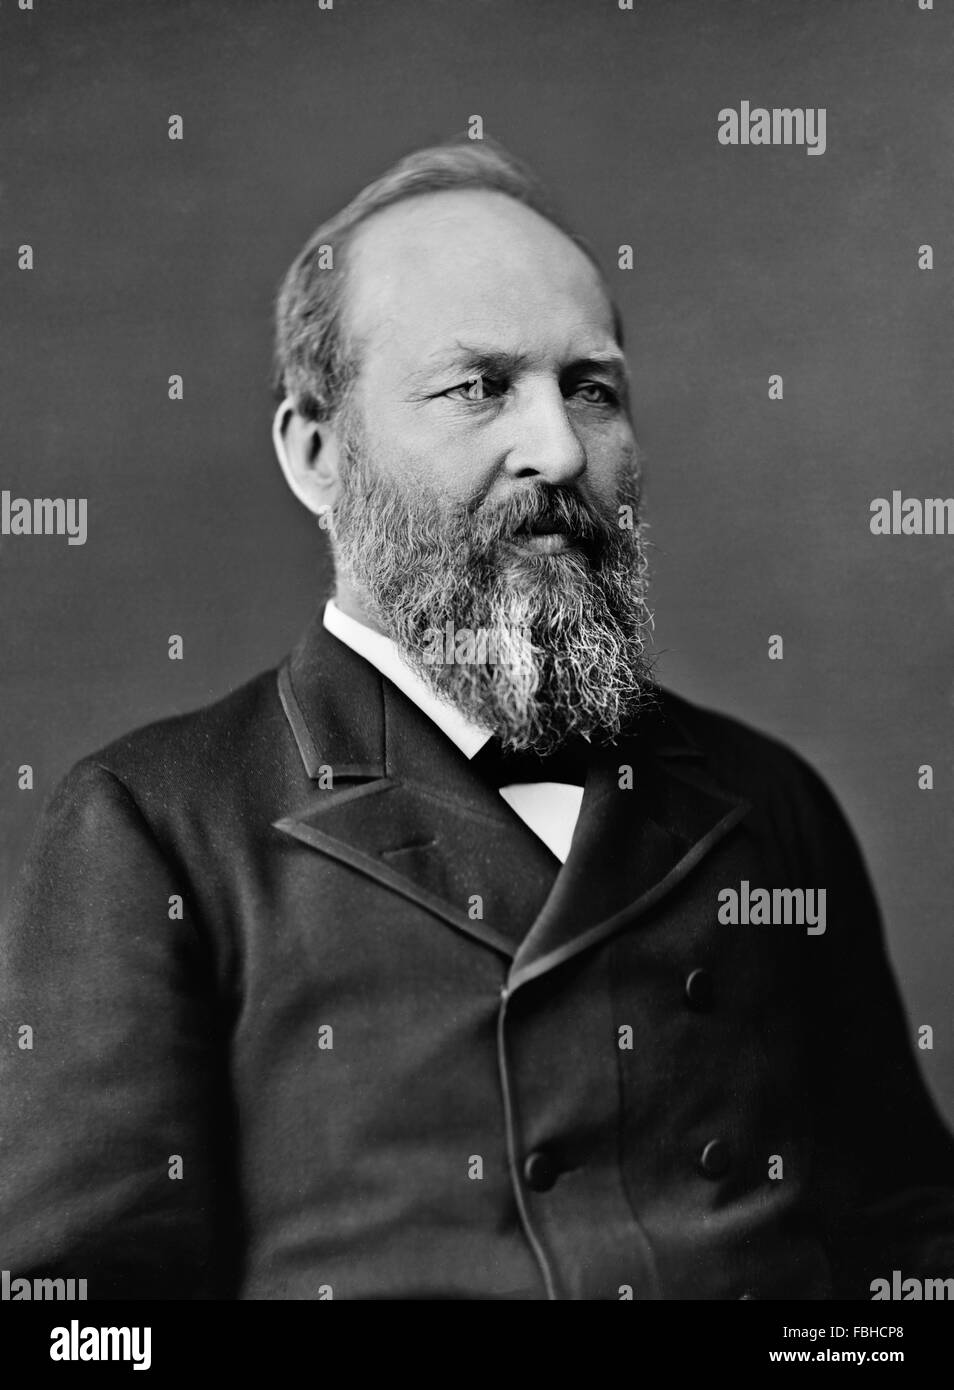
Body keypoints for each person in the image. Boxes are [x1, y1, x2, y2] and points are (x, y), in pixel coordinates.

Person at [2, 141, 952, 1301]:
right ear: (316, 454)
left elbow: (910, 1248)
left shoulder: (769, 799)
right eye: (479, 387)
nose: (558, 450)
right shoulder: (155, 823)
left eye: (591, 389)